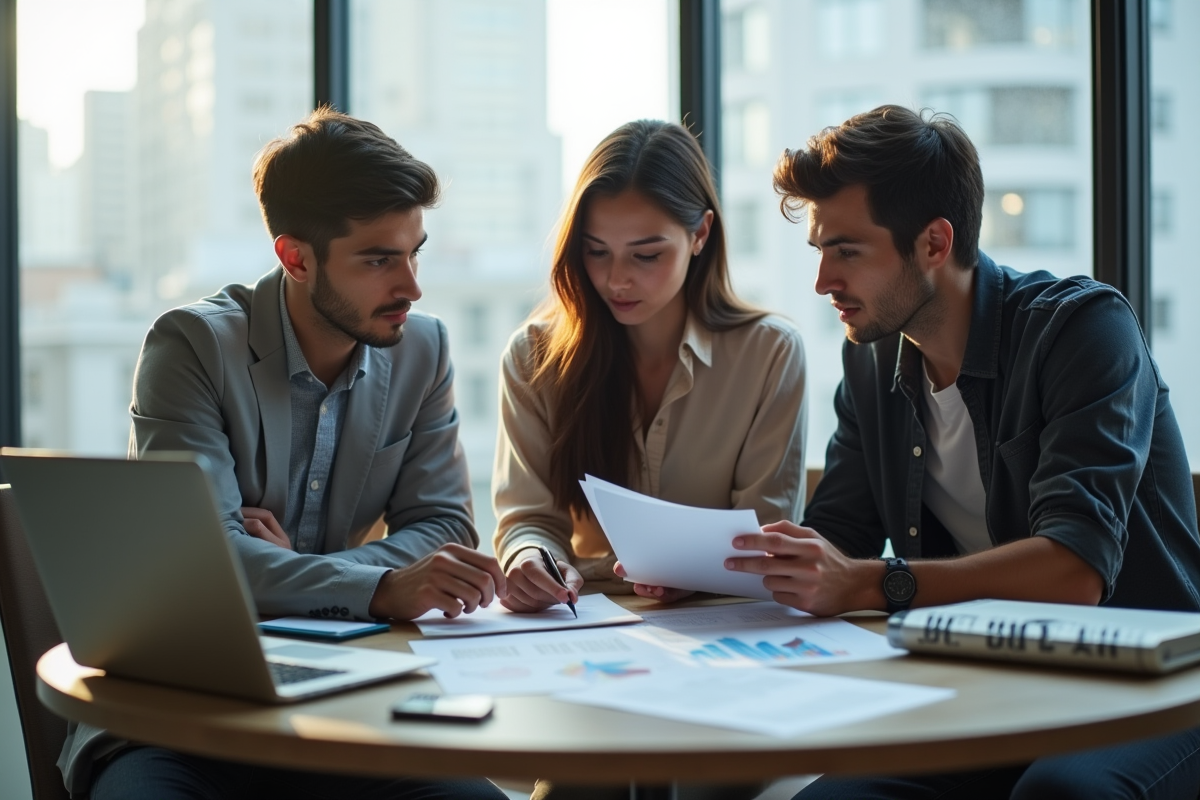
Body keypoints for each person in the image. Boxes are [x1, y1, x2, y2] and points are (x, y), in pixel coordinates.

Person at [725, 104, 1200, 799]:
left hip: (1148, 688)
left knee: (1063, 795)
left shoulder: (1081, 330)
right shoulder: (871, 367)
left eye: (847, 251)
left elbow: (1075, 571)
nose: (824, 281)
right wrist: (710, 569)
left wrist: (871, 582)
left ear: (934, 244)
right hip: (989, 684)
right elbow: (836, 538)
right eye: (820, 252)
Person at [68, 108, 508, 800]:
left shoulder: (425, 349)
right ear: (295, 257)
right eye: (378, 260)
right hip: (183, 720)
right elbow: (198, 570)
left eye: (415, 252)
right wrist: (378, 586)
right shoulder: (191, 348)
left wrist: (301, 572)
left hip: (346, 709)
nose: (411, 286)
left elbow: (447, 529)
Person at [492, 118, 807, 613]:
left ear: (700, 234)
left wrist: (693, 576)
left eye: (646, 255)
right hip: (585, 619)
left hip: (720, 619)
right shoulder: (534, 357)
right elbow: (530, 520)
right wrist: (532, 558)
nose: (616, 279)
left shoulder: (769, 354)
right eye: (597, 251)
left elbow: (763, 538)